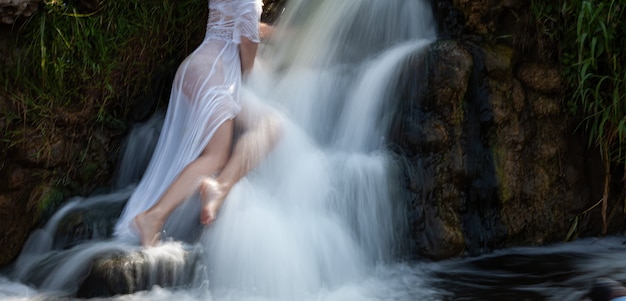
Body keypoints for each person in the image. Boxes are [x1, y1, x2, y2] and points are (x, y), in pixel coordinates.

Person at [114, 0, 275, 246]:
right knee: (216, 156)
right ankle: (154, 217)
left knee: (271, 126)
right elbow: (247, 54)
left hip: (199, 68)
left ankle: (215, 188)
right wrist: (261, 71)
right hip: (213, 77)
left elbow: (235, 24)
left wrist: (277, 34)